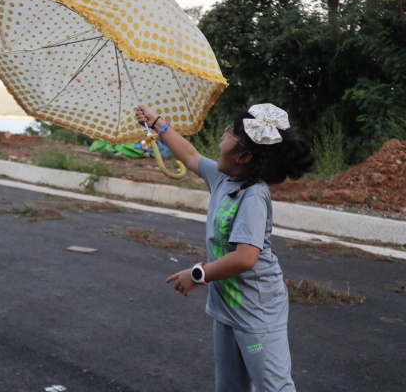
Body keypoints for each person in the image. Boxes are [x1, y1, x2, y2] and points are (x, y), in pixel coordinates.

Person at [135, 103, 316, 392]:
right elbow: (191, 156)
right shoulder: (224, 178)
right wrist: (157, 123)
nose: (224, 132)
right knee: (230, 387)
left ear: (243, 155)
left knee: (274, 387)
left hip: (256, 314)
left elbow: (245, 258)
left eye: (231, 131)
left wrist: (197, 274)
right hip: (228, 309)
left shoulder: (254, 196)